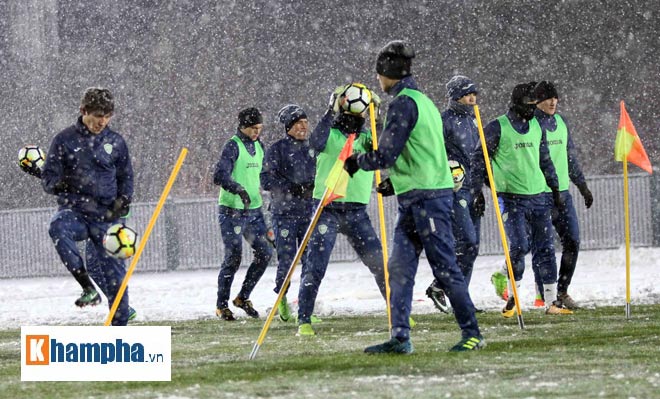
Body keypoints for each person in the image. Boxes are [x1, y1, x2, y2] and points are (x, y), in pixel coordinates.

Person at [344, 40, 483, 353]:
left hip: (428, 200)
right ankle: (400, 338)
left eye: (379, 73)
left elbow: (389, 153)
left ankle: (472, 333)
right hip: (415, 197)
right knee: (400, 270)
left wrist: (357, 162)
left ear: (388, 73)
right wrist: (396, 184)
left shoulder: (405, 103)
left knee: (445, 267)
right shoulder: (423, 101)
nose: (378, 80)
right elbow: (420, 152)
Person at [25, 87, 134, 326]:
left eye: (107, 116)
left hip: (108, 218)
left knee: (117, 282)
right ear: (84, 111)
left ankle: (120, 336)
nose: (102, 121)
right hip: (76, 213)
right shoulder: (63, 140)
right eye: (97, 115)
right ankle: (87, 286)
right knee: (58, 227)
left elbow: (126, 177)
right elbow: (48, 181)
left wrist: (124, 200)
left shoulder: (116, 142)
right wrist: (64, 182)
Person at [471, 82, 573, 317]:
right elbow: (479, 160)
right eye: (529, 105)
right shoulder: (497, 127)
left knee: (546, 248)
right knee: (518, 247)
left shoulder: (537, 126)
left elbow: (545, 159)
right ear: (517, 104)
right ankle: (512, 299)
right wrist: (478, 190)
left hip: (538, 197)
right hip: (511, 198)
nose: (533, 109)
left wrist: (555, 188)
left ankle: (551, 303)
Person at [295, 84, 387, 336]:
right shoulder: (330, 135)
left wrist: (377, 117)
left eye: (360, 115)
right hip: (327, 207)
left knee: (379, 263)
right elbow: (315, 142)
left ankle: (397, 311)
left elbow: (386, 146)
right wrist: (328, 110)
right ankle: (304, 318)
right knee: (316, 264)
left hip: (357, 210)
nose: (356, 119)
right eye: (353, 114)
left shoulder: (368, 139)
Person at [530, 81, 593, 310]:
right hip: (540, 195)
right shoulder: (531, 124)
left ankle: (562, 290)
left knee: (573, 241)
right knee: (542, 247)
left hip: (563, 195)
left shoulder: (561, 122)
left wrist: (582, 186)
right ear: (537, 101)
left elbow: (570, 156)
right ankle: (546, 295)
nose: (553, 102)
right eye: (547, 98)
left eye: (555, 97)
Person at [425, 75, 485, 314]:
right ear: (455, 95)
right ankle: (440, 284)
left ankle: (462, 300)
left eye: (474, 94)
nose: (472, 98)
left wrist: (481, 188)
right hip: (455, 191)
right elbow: (433, 154)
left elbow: (481, 159)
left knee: (473, 247)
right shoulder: (444, 121)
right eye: (467, 94)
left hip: (474, 190)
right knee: (466, 241)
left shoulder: (475, 121)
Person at [213, 107, 273, 321]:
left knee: (265, 253)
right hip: (232, 212)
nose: (257, 132)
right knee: (233, 257)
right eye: (253, 128)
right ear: (242, 126)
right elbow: (219, 175)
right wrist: (238, 189)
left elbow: (265, 176)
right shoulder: (232, 146)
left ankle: (243, 297)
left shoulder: (260, 145)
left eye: (259, 128)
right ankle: (221, 305)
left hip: (254, 212)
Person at [260, 104, 316, 322]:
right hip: (283, 214)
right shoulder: (276, 150)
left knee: (311, 260)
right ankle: (281, 298)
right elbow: (265, 180)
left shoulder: (314, 148)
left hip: (308, 213)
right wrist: (291, 188)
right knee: (287, 260)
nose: (303, 127)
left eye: (305, 122)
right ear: (289, 126)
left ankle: (305, 307)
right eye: (298, 123)